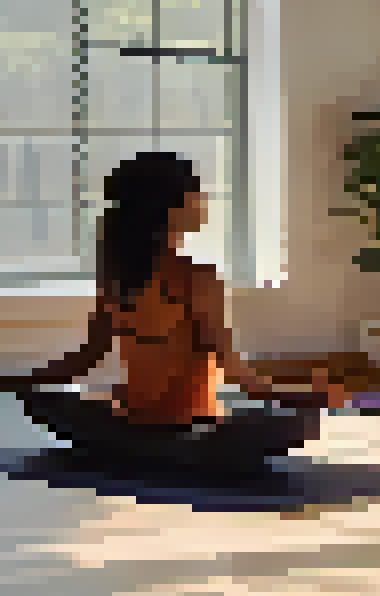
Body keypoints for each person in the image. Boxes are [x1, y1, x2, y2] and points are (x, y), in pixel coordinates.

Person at [0, 152, 345, 476]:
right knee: (294, 424)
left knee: (52, 403)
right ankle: (173, 454)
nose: (203, 200)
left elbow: (81, 361)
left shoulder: (117, 274)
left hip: (129, 429)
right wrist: (301, 396)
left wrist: (14, 382)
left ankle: (132, 450)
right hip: (191, 433)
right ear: (172, 207)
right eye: (196, 190)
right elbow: (240, 376)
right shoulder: (198, 278)